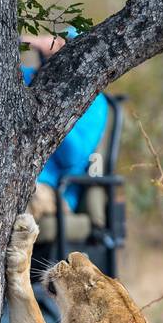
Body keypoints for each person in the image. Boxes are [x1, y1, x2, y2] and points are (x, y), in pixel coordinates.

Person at [22, 30, 109, 219]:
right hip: (13, 176)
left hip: (53, 190)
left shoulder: (95, 101)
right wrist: (22, 43)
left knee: (16, 198)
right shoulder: (28, 78)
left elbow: (72, 156)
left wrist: (49, 107)